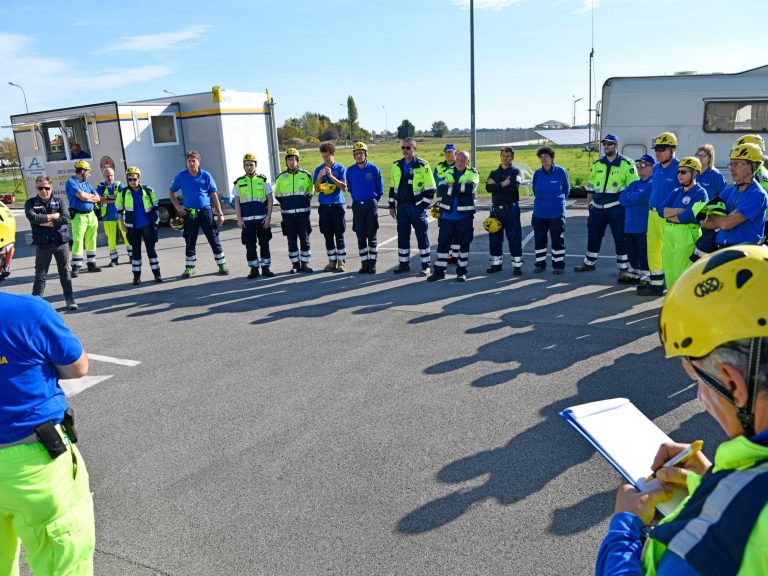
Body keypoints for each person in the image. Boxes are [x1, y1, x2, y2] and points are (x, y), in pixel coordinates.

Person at [596, 244, 768, 576]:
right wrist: (718, 485)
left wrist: (625, 527)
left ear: (733, 384)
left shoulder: (724, 532)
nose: (701, 397)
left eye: (698, 380)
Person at [0, 207, 95, 576]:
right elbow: (77, 367)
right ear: (7, 254)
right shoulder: (30, 311)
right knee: (61, 564)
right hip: (36, 463)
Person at [575, 133, 638, 280]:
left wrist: (625, 204)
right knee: (593, 235)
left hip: (617, 207)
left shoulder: (627, 164)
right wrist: (589, 198)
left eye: (609, 144)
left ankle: (623, 268)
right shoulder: (598, 164)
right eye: (604, 144)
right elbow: (591, 183)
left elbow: (633, 187)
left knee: (620, 238)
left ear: (616, 146)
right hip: (597, 207)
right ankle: (589, 263)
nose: (606, 146)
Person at [168, 150, 228, 278]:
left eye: (193, 160)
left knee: (213, 238)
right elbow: (171, 192)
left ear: (198, 161)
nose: (191, 163)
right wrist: (177, 206)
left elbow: (213, 195)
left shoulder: (206, 175)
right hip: (190, 213)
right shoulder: (181, 176)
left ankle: (222, 264)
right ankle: (189, 267)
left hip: (205, 211)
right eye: (189, 161)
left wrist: (220, 213)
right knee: (190, 240)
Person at [24, 175, 78, 310]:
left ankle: (70, 299)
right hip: (43, 244)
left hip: (61, 243)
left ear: (51, 187)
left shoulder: (59, 202)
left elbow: (66, 218)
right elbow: (33, 217)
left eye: (46, 187)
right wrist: (53, 216)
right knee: (40, 275)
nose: (44, 190)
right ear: (36, 188)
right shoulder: (30, 203)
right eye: (40, 188)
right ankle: (35, 305)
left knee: (65, 272)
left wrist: (47, 222)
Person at [701, 143, 768, 248]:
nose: (731, 168)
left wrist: (715, 214)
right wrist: (723, 218)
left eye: (737, 164)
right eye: (731, 163)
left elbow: (725, 224)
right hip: (721, 249)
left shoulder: (758, 194)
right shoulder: (729, 191)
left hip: (744, 252)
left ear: (753, 166)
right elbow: (704, 221)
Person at [428, 150, 479, 282]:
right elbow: (441, 189)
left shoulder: (473, 173)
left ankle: (461, 272)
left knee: (464, 245)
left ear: (468, 162)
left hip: (464, 217)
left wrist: (452, 187)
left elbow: (470, 189)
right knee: (443, 244)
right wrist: (459, 188)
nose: (460, 163)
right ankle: (439, 272)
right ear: (455, 159)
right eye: (458, 160)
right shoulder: (448, 171)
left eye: (463, 161)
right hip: (447, 216)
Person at [639, 132, 680, 296]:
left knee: (670, 252)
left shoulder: (680, 168)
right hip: (652, 215)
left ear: (673, 149)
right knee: (653, 250)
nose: (658, 152)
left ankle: (673, 286)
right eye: (657, 148)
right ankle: (656, 284)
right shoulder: (655, 168)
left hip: (668, 216)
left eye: (662, 149)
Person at [389, 137, 436, 276]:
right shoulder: (396, 165)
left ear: (414, 149)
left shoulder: (422, 165)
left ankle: (426, 266)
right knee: (403, 236)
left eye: (408, 147)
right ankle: (403, 264)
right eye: (403, 147)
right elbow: (393, 187)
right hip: (402, 207)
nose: (405, 150)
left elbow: (431, 188)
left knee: (422, 236)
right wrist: (392, 206)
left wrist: (422, 206)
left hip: (416, 207)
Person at [659, 157, 708, 288]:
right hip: (669, 232)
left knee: (682, 270)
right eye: (678, 172)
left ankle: (683, 303)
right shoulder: (676, 191)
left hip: (686, 233)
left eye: (683, 172)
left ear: (695, 173)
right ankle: (672, 300)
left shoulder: (701, 193)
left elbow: (688, 216)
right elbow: (661, 211)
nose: (679, 175)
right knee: (669, 269)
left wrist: (671, 214)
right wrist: (679, 210)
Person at [117, 166, 162, 285]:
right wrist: (121, 224)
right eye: (130, 179)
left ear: (139, 179)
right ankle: (136, 277)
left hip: (147, 225)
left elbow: (155, 205)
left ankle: (157, 274)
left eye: (134, 179)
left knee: (151, 250)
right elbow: (120, 210)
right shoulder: (123, 193)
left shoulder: (148, 190)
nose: (132, 181)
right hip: (132, 227)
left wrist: (156, 221)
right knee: (135, 252)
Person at [233, 153, 274, 279]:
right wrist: (239, 219)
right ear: (244, 166)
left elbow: (270, 200)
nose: (249, 167)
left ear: (256, 166)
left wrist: (268, 218)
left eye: (251, 165)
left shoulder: (263, 181)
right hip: (247, 222)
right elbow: (237, 203)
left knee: (265, 244)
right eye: (247, 165)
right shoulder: (239, 182)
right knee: (250, 246)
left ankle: (266, 268)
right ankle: (254, 269)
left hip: (262, 220)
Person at [531, 146, 570, 274]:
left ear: (552, 158)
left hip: (556, 212)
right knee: (540, 239)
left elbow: (566, 190)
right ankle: (540, 264)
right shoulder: (537, 173)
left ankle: (558, 265)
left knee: (557, 239)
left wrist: (557, 201)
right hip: (539, 213)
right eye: (541, 157)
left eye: (546, 156)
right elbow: (535, 190)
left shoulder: (560, 171)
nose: (544, 159)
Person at [274, 148, 314, 273]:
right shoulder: (281, 177)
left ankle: (305, 264)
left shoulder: (306, 175)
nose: (291, 162)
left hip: (303, 215)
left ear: (298, 161)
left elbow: (310, 193)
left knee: (304, 239)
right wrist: (288, 205)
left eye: (294, 159)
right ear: (286, 161)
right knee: (291, 240)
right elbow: (278, 195)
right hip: (288, 216)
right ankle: (295, 264)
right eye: (289, 159)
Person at [346, 142, 383, 274]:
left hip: (370, 205)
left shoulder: (374, 169)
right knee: (360, 236)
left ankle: (372, 264)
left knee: (371, 236)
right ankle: (364, 263)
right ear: (354, 155)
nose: (359, 155)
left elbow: (380, 190)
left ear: (366, 154)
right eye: (356, 153)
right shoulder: (350, 171)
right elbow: (350, 188)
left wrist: (372, 202)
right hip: (357, 206)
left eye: (361, 153)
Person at [485, 146, 523, 275]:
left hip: (511, 209)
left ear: (512, 157)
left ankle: (517, 266)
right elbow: (488, 188)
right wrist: (502, 184)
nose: (505, 158)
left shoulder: (516, 172)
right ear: (500, 156)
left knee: (514, 238)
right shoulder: (494, 172)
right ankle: (496, 265)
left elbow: (513, 187)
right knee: (495, 238)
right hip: (496, 211)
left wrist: (496, 186)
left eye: (508, 156)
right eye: (503, 155)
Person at [619, 155, 654, 286]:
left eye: (643, 165)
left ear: (652, 167)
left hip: (643, 226)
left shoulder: (652, 183)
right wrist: (635, 198)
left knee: (643, 252)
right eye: (638, 165)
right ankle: (635, 271)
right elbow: (622, 199)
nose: (640, 168)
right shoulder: (634, 183)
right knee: (631, 251)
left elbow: (645, 197)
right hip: (629, 226)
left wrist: (632, 197)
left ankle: (645, 276)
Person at [313, 142, 348, 273]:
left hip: (337, 206)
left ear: (333, 154)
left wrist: (331, 176)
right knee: (327, 235)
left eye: (327, 156)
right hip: (324, 207)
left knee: (339, 234)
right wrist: (320, 177)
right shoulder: (318, 169)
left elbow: (344, 187)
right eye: (323, 157)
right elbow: (316, 189)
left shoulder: (340, 169)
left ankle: (341, 261)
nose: (326, 159)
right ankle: (331, 261)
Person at [65, 159, 102, 277]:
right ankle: (76, 266)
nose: (89, 173)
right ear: (82, 171)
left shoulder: (86, 183)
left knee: (91, 238)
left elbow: (97, 197)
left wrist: (88, 197)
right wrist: (87, 197)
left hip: (91, 214)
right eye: (88, 171)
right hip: (79, 216)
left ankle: (91, 263)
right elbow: (81, 196)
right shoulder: (71, 182)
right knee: (78, 240)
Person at [96, 167, 131, 267]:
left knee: (127, 236)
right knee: (110, 238)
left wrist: (107, 197)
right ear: (103, 176)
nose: (109, 177)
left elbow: (121, 197)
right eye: (107, 176)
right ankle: (114, 259)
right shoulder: (100, 186)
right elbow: (99, 199)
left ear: (114, 175)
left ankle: (131, 256)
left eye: (111, 175)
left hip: (121, 215)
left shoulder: (119, 184)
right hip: (107, 216)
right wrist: (114, 198)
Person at [434, 143, 459, 263]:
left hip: (456, 201)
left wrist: (446, 182)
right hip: (443, 202)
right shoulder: (438, 167)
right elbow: (436, 182)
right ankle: (447, 254)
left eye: (451, 152)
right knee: (444, 229)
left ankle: (455, 255)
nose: (449, 154)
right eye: (447, 152)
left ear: (455, 153)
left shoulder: (460, 165)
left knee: (456, 230)